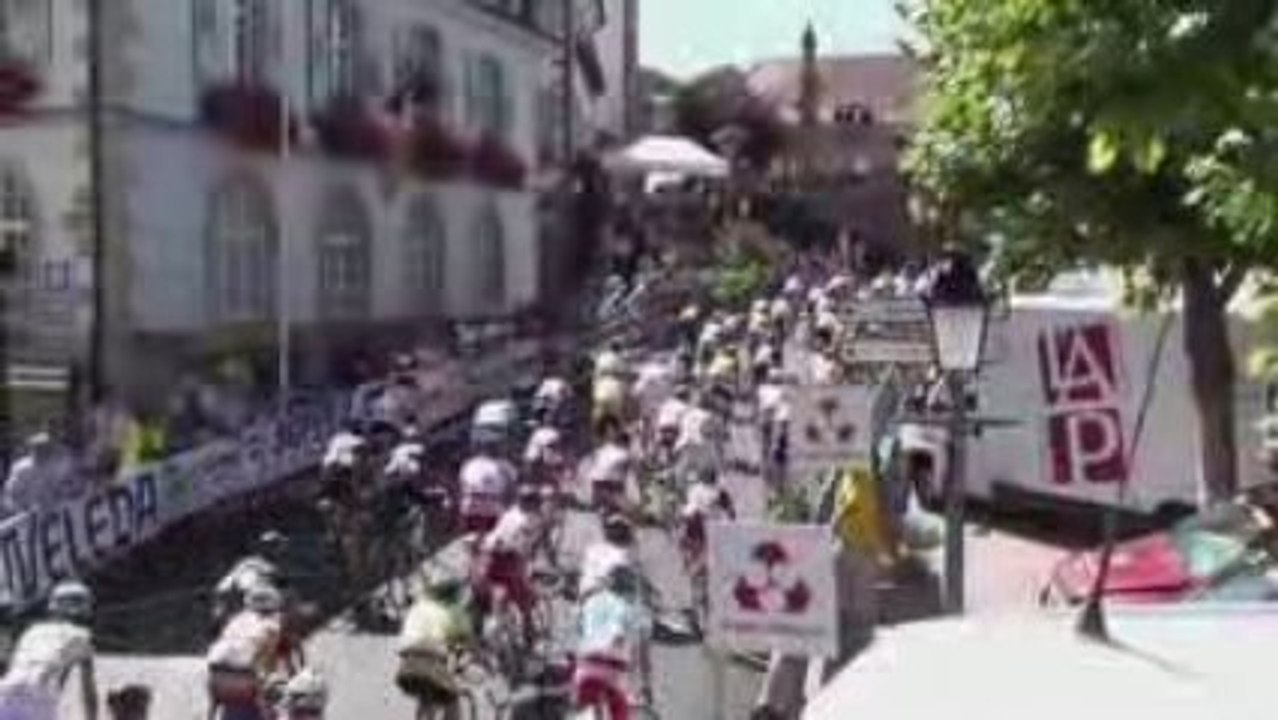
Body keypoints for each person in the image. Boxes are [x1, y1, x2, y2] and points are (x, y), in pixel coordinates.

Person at [0, 581, 99, 720]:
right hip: (39, 696)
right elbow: (88, 690)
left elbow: (13, 666)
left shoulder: (32, 631)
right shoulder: (82, 636)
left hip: (5, 692)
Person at [572, 565, 653, 720]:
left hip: (584, 671)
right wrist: (646, 686)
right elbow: (643, 656)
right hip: (611, 676)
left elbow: (579, 629)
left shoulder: (592, 601)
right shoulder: (634, 611)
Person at [206, 582, 293, 719]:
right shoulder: (273, 625)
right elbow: (276, 663)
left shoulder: (235, 620)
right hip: (247, 682)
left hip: (215, 678)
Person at [396, 576, 475, 720]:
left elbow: (404, 644)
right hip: (431, 668)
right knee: (451, 697)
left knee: (426, 693)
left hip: (407, 670)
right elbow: (462, 648)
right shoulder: (455, 613)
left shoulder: (419, 610)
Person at [478, 486, 546, 645]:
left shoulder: (509, 513)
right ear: (533, 504)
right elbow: (522, 550)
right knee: (526, 601)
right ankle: (529, 636)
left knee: (486, 595)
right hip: (508, 560)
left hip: (488, 558)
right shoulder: (527, 520)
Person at [214, 531, 290, 628]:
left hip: (246, 612)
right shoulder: (260, 567)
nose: (281, 549)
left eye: (280, 546)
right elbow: (225, 588)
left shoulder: (248, 563)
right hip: (255, 610)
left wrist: (220, 613)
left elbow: (222, 589)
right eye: (277, 546)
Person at [579, 514, 638, 599]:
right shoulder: (595, 550)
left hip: (613, 596)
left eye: (620, 528)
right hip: (597, 594)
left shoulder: (630, 553)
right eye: (614, 527)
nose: (617, 531)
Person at [3, 433, 63, 514]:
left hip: (45, 515)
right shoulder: (23, 468)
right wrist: (22, 510)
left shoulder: (51, 467)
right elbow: (11, 494)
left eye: (46, 448)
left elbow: (53, 492)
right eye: (40, 448)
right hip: (23, 516)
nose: (44, 451)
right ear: (33, 449)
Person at [585, 417, 633, 511]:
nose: (610, 434)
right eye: (607, 431)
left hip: (616, 489)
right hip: (602, 489)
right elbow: (594, 478)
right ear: (603, 433)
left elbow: (625, 476)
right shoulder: (598, 452)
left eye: (613, 430)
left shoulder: (623, 452)